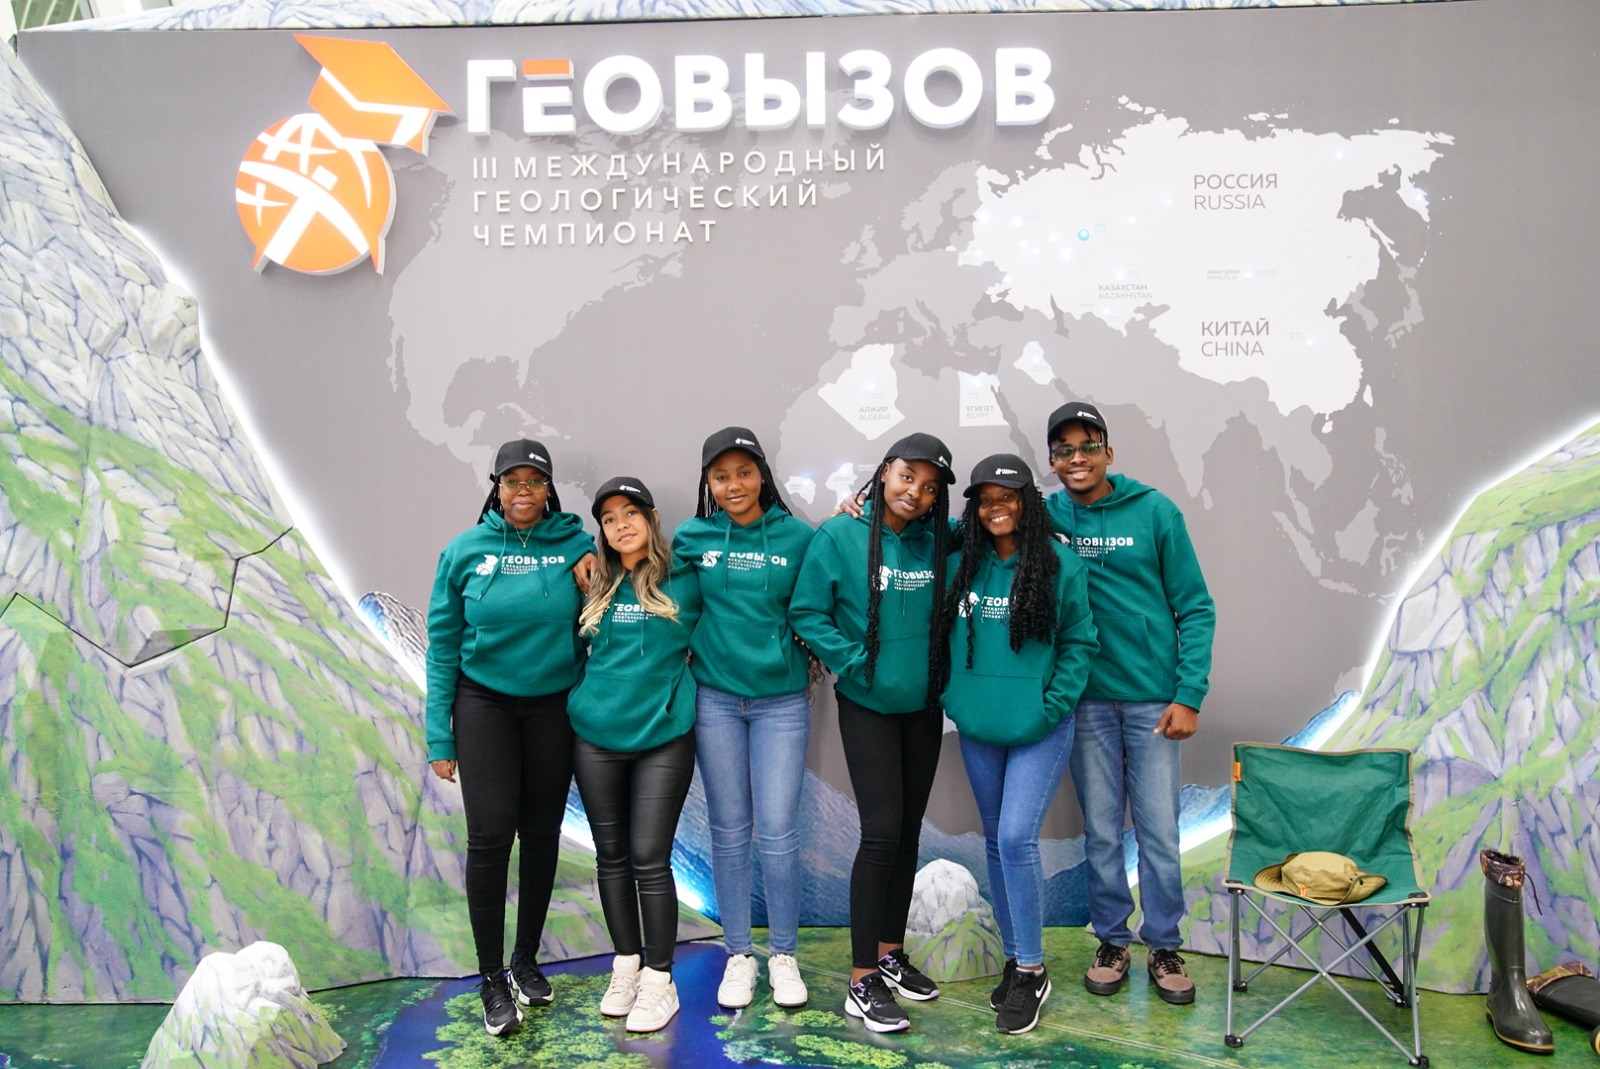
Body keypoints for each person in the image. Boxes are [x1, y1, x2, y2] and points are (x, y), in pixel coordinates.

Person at [1043, 402, 1216, 1006]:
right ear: (1052, 461)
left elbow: (1195, 606)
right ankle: (1112, 941)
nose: (1077, 458)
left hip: (1152, 703)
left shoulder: (1156, 511)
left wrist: (1188, 694)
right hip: (1084, 701)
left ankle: (1164, 945)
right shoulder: (1045, 516)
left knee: (1160, 831)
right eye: (1064, 450)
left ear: (1108, 453)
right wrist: (866, 509)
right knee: (1100, 833)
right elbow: (982, 526)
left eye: (1088, 446)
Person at [425, 439, 596, 1037]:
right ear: (496, 489)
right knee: (491, 836)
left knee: (542, 834)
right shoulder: (463, 551)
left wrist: (590, 561)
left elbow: (599, 617)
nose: (524, 491)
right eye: (512, 482)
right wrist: (439, 736)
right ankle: (491, 977)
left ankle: (525, 960)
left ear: (549, 489)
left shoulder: (576, 546)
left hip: (552, 706)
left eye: (535, 482)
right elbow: (442, 646)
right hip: (484, 704)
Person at [789, 432, 955, 1034]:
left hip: (923, 707)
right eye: (907, 476)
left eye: (930, 487)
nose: (916, 492)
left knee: (907, 832)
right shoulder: (840, 535)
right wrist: (855, 662)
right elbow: (807, 611)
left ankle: (889, 955)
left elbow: (1001, 521)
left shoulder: (942, 539)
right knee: (881, 833)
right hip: (868, 707)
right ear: (884, 472)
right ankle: (861, 980)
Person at [940, 454, 1098, 1034]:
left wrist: (1050, 707)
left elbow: (1080, 642)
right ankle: (1015, 958)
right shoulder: (960, 565)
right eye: (985, 501)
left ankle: (1032, 969)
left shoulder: (1060, 566)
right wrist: (956, 699)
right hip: (978, 726)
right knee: (995, 842)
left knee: (1014, 837)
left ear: (1028, 502)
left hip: (1040, 727)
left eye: (1007, 497)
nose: (996, 509)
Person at [672, 428, 816, 1010]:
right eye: (721, 476)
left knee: (778, 833)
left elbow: (822, 598)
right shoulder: (693, 537)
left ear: (762, 476)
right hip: (715, 701)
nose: (733, 486)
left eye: (744, 473)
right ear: (708, 482)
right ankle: (739, 955)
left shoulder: (798, 537)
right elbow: (656, 585)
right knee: (729, 832)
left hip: (782, 702)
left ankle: (783, 955)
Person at [568, 477, 703, 1033]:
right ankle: (626, 966)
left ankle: (659, 980)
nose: (620, 525)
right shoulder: (592, 580)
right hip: (595, 736)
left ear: (652, 517)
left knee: (650, 856)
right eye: (608, 518)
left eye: (631, 513)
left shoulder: (687, 578)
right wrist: (578, 546)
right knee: (611, 856)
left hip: (663, 736)